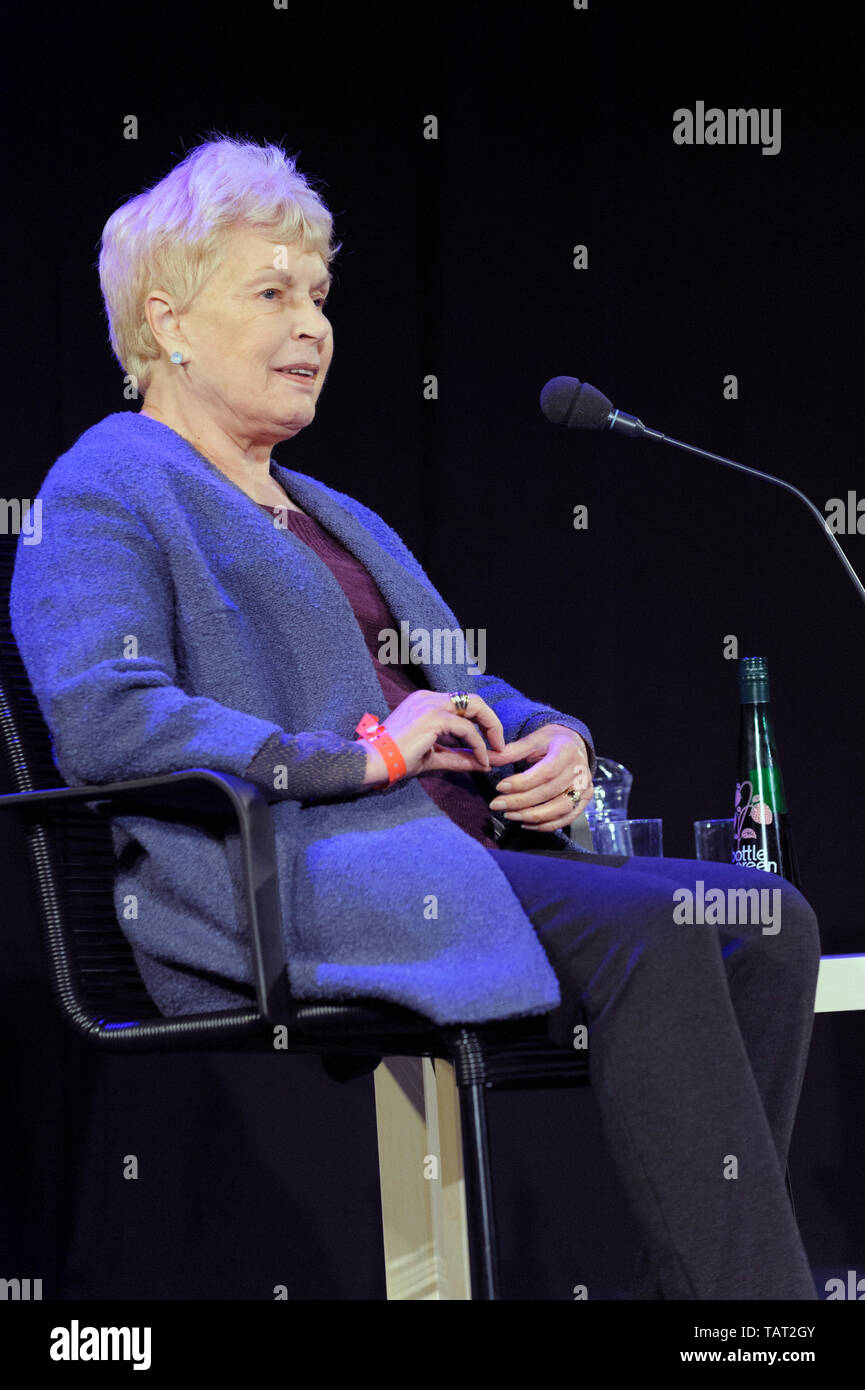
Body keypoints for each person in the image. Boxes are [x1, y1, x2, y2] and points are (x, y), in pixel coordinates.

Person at [10, 135, 820, 1300]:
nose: (314, 325)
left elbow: (467, 681)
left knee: (765, 916)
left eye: (322, 297)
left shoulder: (331, 508)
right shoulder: (106, 483)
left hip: (447, 850)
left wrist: (556, 738)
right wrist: (355, 757)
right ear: (168, 319)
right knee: (661, 929)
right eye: (273, 292)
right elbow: (107, 718)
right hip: (290, 876)